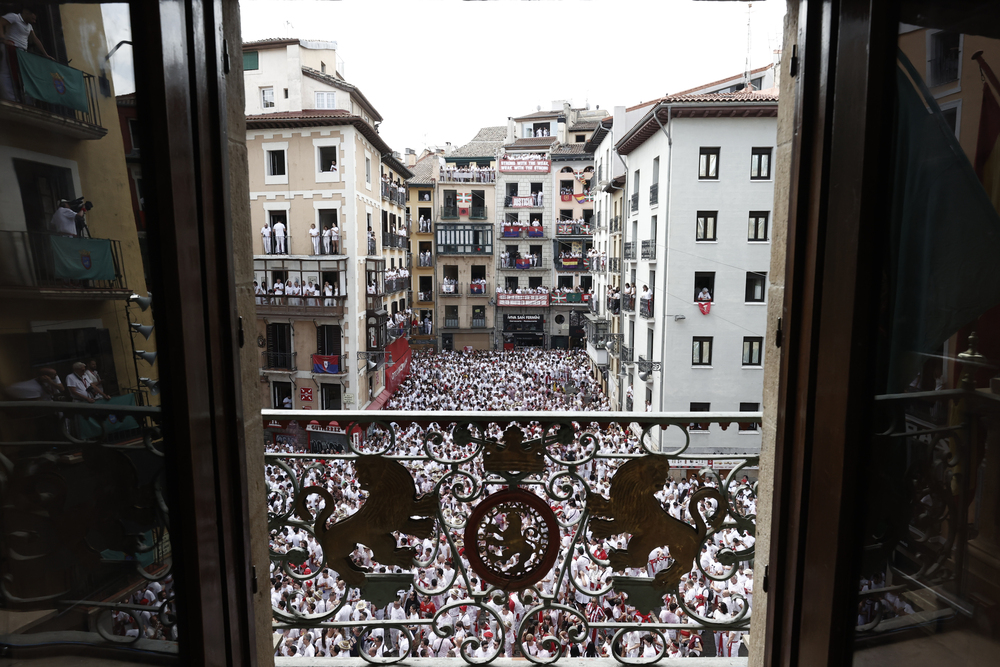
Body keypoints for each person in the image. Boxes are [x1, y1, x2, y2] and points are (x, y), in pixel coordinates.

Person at [1, 8, 54, 102]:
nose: (34, 21)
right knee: (7, 74)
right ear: (26, 12)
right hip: (10, 49)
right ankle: (10, 98)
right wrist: (3, 39)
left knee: (22, 76)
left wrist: (46, 54)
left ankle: (22, 99)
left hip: (22, 54)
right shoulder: (14, 17)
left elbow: (35, 39)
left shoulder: (29, 26)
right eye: (33, 18)